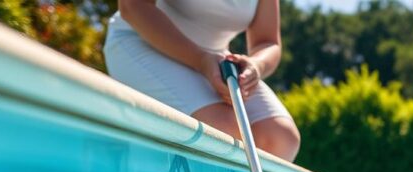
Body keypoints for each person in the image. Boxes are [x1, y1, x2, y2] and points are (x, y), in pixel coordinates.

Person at [104, 0, 301, 161]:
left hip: (215, 59)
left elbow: (267, 42)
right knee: (224, 133)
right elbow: (133, 6)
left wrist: (257, 65)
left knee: (281, 138)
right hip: (141, 42)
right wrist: (201, 60)